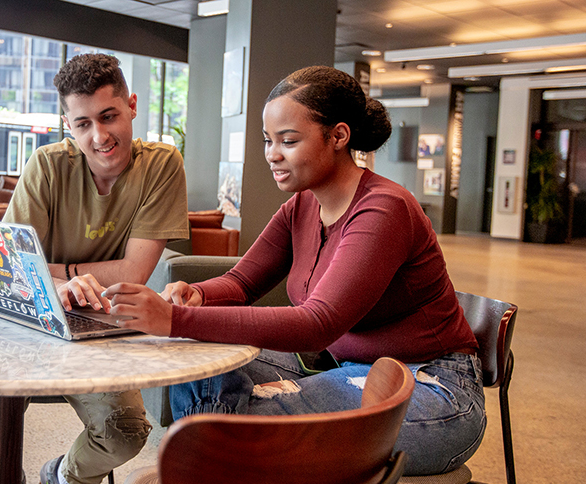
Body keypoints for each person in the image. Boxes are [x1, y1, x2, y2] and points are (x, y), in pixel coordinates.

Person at [103, 65, 485, 476]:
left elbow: (318, 324)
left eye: (288, 140)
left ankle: (209, 460)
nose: (272, 154)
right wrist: (198, 296)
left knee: (250, 416)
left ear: (338, 136)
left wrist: (174, 317)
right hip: (342, 370)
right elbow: (242, 282)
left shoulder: (384, 209)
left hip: (431, 387)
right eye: (269, 141)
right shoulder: (302, 205)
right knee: (192, 359)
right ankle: (214, 461)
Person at [0, 53, 189, 484]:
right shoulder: (47, 165)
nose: (99, 135)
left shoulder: (161, 165)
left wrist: (51, 270)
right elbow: (5, 267)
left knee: (125, 433)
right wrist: (60, 283)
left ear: (132, 106)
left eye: (109, 116)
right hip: (23, 321)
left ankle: (64, 477)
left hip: (98, 326)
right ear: (68, 125)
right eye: (83, 123)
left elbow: (134, 272)